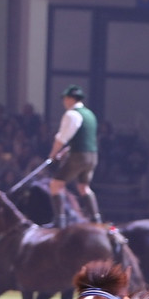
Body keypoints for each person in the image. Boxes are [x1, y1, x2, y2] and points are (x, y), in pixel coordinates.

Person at [46, 84, 100, 227]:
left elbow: (61, 139)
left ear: (71, 99)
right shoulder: (90, 114)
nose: (64, 102)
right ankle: (96, 219)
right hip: (92, 157)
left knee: (55, 184)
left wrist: (53, 155)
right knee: (84, 187)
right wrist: (67, 150)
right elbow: (83, 137)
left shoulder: (71, 114)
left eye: (65, 98)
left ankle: (60, 221)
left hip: (79, 156)